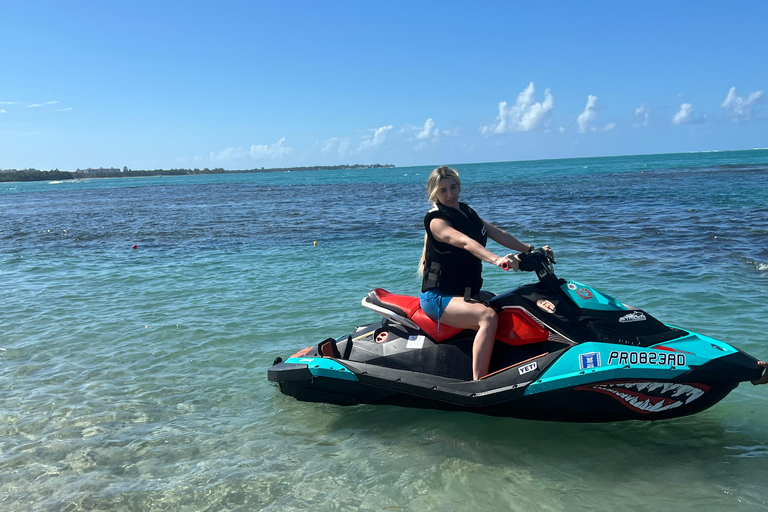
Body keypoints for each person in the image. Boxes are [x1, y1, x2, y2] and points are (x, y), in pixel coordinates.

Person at [418, 165, 551, 380]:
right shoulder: (437, 222)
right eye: (443, 190)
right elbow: (465, 242)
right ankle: (479, 381)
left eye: (453, 187)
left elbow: (498, 233)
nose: (450, 194)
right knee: (487, 316)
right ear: (434, 193)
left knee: (511, 301)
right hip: (439, 298)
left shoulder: (467, 212)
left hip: (466, 293)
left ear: (459, 187)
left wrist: (530, 250)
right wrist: (497, 260)